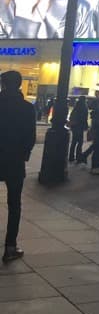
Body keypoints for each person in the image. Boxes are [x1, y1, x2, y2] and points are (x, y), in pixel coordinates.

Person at [0, 70, 36, 262]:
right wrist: (24, 154)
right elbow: (30, 137)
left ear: (2, 85)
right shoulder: (27, 108)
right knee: (14, 205)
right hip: (14, 161)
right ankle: (10, 247)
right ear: (20, 85)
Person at [68, 96, 88, 163]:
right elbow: (84, 118)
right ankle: (78, 156)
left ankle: (71, 156)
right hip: (80, 126)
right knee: (80, 142)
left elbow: (72, 116)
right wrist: (85, 126)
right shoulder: (84, 107)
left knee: (74, 142)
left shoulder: (76, 107)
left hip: (75, 126)